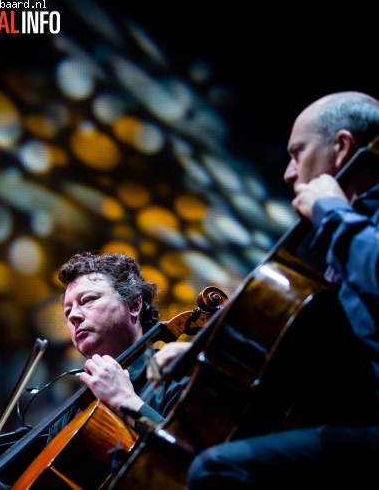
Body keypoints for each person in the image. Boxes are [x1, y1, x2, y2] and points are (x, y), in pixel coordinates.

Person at [149, 91, 379, 488]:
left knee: (219, 468)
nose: (290, 173)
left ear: (341, 148)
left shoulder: (349, 226)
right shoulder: (343, 236)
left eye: (298, 153)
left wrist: (333, 212)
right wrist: (216, 352)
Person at [0, 251, 188, 489]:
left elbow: (196, 463)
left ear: (134, 305)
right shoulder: (74, 412)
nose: (73, 316)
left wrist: (126, 401)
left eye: (88, 300)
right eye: (68, 311)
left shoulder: (177, 374)